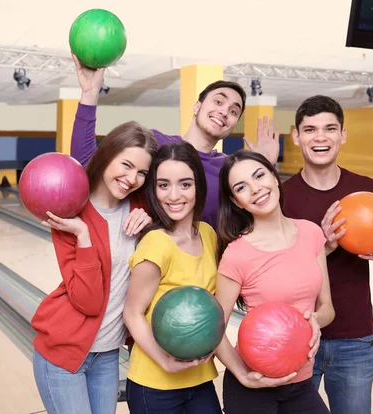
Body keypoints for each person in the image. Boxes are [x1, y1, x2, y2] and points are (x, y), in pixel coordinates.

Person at [281, 95, 373, 414]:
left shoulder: (369, 191)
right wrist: (323, 245)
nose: (320, 137)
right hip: (299, 337)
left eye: (330, 128)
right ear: (296, 136)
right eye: (310, 129)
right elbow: (273, 269)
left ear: (342, 135)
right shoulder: (281, 197)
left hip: (355, 338)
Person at [30, 119, 158, 414]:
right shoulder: (70, 211)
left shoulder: (142, 206)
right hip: (64, 354)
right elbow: (87, 301)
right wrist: (83, 235)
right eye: (126, 165)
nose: (132, 178)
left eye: (141, 172)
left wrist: (152, 224)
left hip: (107, 354)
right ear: (107, 155)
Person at [69, 54, 280, 230]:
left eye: (234, 111)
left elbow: (260, 216)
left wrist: (268, 167)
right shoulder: (155, 143)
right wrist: (90, 94)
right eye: (218, 101)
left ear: (233, 124)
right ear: (197, 107)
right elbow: (87, 164)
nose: (224, 111)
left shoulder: (229, 168)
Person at [213, 150, 335, 413]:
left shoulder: (311, 233)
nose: (256, 189)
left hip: (302, 383)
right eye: (242, 187)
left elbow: (327, 307)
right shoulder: (237, 254)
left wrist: (315, 320)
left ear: (274, 177)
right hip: (252, 388)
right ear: (236, 201)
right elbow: (214, 328)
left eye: (259, 176)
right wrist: (241, 374)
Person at [122, 141, 222, 413]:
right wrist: (165, 362)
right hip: (154, 384)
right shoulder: (156, 243)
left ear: (199, 186)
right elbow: (132, 314)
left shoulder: (208, 234)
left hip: (200, 378)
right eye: (163, 184)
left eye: (185, 184)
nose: (174, 195)